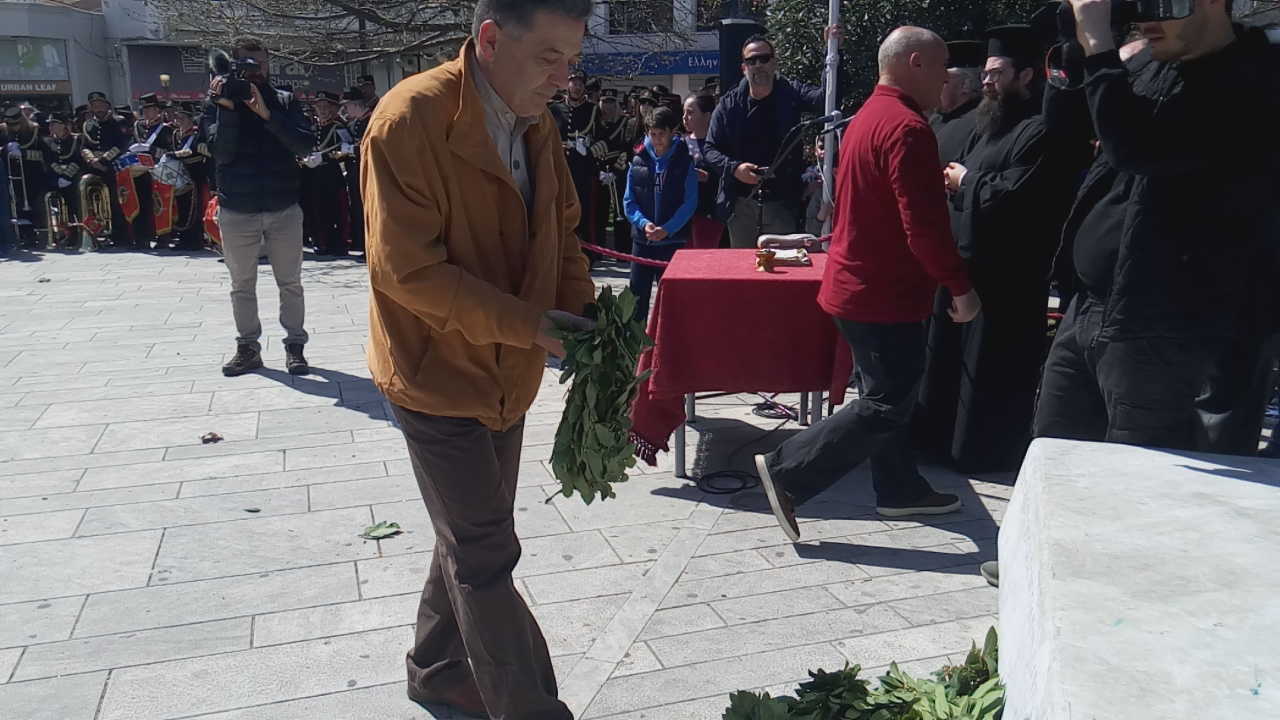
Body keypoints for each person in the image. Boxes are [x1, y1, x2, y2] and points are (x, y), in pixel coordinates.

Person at [362, 0, 597, 716]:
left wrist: (587, 319)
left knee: (469, 535)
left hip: (508, 374)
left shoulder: (538, 122)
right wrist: (531, 326)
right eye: (549, 58)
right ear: (490, 39)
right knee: (486, 551)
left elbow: (561, 232)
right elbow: (408, 273)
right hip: (433, 373)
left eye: (572, 61)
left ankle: (436, 670)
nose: (563, 79)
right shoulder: (408, 121)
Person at [753, 27, 982, 543]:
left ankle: (899, 488)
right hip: (883, 293)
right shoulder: (907, 127)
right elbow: (923, 226)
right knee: (887, 400)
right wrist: (959, 286)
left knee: (884, 393)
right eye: (941, 67)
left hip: (857, 286)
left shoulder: (866, 118)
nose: (946, 79)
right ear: (915, 63)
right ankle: (787, 471)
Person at [1033, 0, 1280, 450]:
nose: (1145, 19)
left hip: (1161, 325)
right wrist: (1075, 43)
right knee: (1054, 459)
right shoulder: (1151, 62)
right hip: (1089, 307)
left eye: (1159, 3)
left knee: (1135, 475)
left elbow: (1139, 148)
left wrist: (1101, 48)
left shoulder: (1255, 77)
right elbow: (1064, 129)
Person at [919, 26, 1082, 473]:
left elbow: (1017, 194)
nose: (987, 81)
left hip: (1010, 274)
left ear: (1026, 75)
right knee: (948, 361)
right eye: (986, 73)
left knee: (993, 368)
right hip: (966, 264)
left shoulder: (1042, 128)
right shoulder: (988, 124)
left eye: (996, 73)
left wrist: (966, 181)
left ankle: (980, 454)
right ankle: (937, 443)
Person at [207, 36, 315, 378]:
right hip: (238, 208)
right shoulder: (218, 101)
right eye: (248, 64)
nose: (256, 71)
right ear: (234, 65)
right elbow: (220, 153)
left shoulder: (284, 100)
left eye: (262, 63)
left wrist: (267, 114)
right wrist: (227, 110)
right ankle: (248, 348)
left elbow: (304, 144)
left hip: (283, 205)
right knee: (241, 284)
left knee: (290, 282)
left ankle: (295, 346)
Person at [705, 32, 830, 249]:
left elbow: (826, 99)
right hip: (742, 205)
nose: (758, 65)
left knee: (783, 266)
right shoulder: (729, 104)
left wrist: (832, 51)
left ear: (774, 63)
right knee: (743, 268)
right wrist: (735, 169)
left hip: (783, 203)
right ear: (744, 68)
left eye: (764, 59)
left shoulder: (791, 92)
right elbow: (710, 149)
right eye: (751, 61)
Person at [623, 106, 698, 322]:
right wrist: (643, 223)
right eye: (652, 134)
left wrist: (668, 229)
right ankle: (636, 339)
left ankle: (667, 339)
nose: (657, 140)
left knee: (670, 299)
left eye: (661, 134)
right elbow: (629, 201)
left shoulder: (684, 162)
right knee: (636, 299)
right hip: (643, 240)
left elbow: (689, 202)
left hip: (671, 242)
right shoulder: (638, 160)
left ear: (672, 132)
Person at [300, 90, 353, 256]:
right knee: (316, 209)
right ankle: (320, 242)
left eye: (325, 106)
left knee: (335, 210)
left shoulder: (338, 127)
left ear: (333, 108)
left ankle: (338, 243)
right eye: (319, 106)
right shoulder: (313, 127)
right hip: (314, 175)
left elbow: (347, 149)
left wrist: (326, 157)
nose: (322, 110)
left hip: (331, 174)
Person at [591, 88, 636, 252]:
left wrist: (616, 171)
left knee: (621, 213)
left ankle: (622, 251)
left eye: (611, 102)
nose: (607, 106)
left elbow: (627, 149)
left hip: (618, 173)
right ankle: (598, 251)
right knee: (599, 214)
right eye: (604, 102)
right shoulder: (594, 123)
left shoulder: (625, 123)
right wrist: (598, 171)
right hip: (599, 173)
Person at [561, 70, 600, 253]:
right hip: (560, 168)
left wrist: (588, 150)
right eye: (573, 83)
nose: (576, 87)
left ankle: (585, 253)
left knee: (583, 211)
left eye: (580, 84)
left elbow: (600, 138)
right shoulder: (555, 108)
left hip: (582, 170)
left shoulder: (592, 110)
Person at [4, 104, 53, 246]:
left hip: (34, 175)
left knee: (37, 206)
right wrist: (5, 149)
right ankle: (25, 236)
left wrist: (24, 154)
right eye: (10, 125)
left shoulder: (35, 130)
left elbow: (47, 153)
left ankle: (43, 236)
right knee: (17, 207)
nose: (14, 127)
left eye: (17, 124)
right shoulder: (3, 132)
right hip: (13, 176)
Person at [682, 93, 725, 249]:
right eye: (684, 112)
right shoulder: (680, 143)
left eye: (690, 113)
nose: (685, 117)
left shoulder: (719, 144)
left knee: (704, 254)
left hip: (709, 212)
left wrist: (707, 177)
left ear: (707, 116)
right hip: (682, 214)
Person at [931, 40, 984, 165]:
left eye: (943, 80)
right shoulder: (935, 119)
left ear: (965, 85)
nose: (934, 86)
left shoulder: (982, 123)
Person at [169, 105, 209, 251]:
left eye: (182, 118)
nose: (178, 121)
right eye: (177, 118)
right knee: (182, 208)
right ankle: (184, 239)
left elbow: (190, 151)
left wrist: (173, 155)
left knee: (193, 209)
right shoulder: (178, 134)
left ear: (191, 120)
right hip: (181, 176)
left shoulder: (196, 134)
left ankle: (195, 240)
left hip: (194, 175)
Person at [45, 114, 85, 249]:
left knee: (76, 206)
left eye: (54, 124)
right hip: (57, 178)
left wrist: (67, 177)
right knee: (59, 208)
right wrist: (59, 177)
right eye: (50, 124)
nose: (51, 127)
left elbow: (78, 159)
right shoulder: (50, 142)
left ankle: (80, 233)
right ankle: (64, 234)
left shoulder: (76, 139)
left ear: (64, 125)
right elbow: (50, 160)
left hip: (74, 177)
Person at [339, 88, 369, 254]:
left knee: (365, 207)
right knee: (357, 206)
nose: (345, 110)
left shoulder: (370, 120)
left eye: (347, 106)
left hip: (366, 171)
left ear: (356, 105)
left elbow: (369, 145)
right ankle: (360, 242)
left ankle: (367, 245)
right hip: (354, 170)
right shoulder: (356, 122)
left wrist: (352, 149)